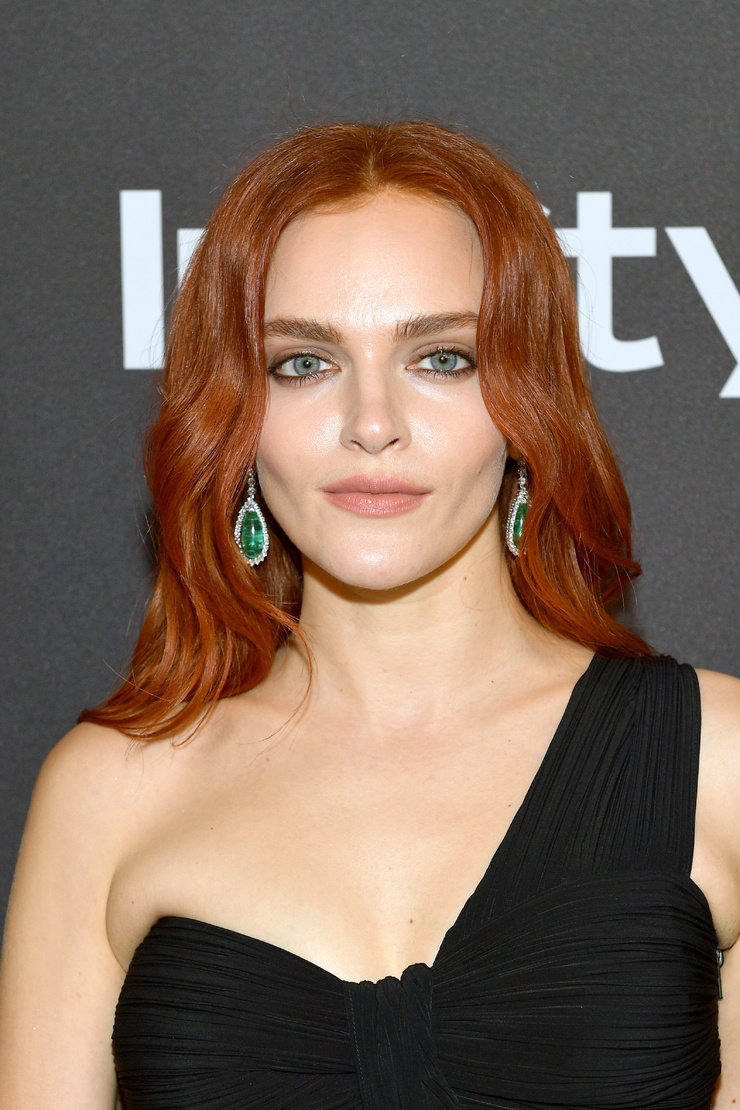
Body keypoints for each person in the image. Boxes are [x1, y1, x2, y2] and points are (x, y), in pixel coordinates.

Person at [0, 120, 738, 1110]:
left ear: (527, 403)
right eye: (303, 363)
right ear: (234, 417)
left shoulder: (720, 765)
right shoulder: (108, 794)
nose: (372, 423)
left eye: (442, 358)